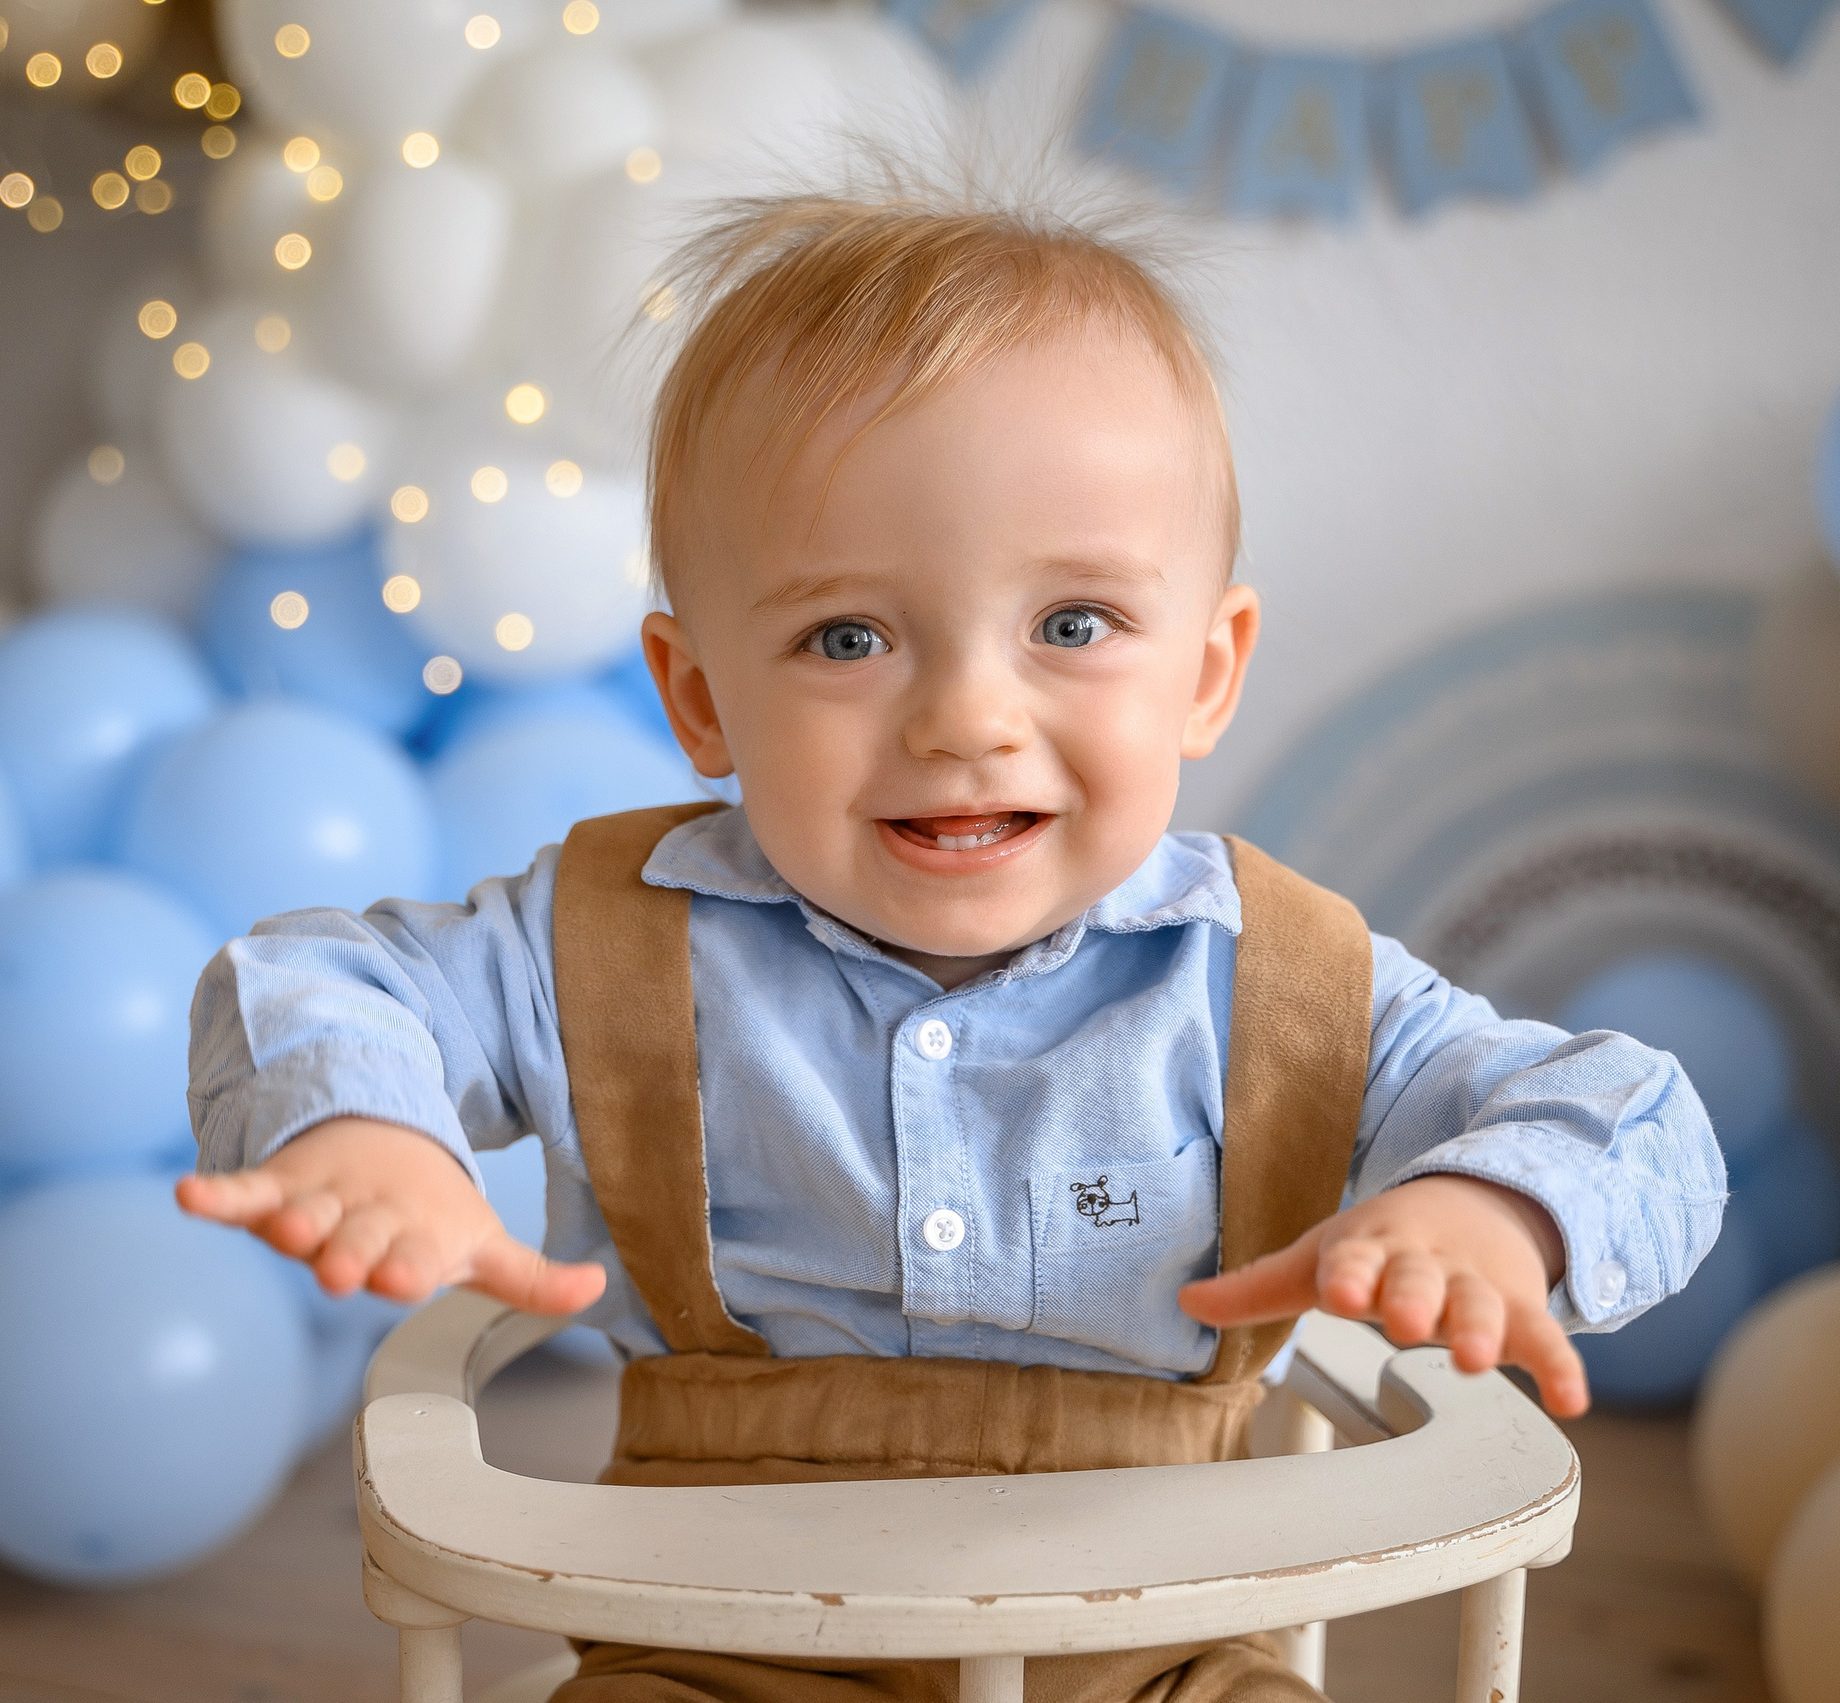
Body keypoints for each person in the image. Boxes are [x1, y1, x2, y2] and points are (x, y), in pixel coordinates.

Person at [179, 189, 1721, 1703]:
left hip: (1162, 1629)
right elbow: (311, 978)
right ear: (701, 696)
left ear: (1207, 667)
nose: (968, 720)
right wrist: (370, 1127)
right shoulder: (605, 948)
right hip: (722, 1631)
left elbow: (1639, 1118)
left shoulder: (1283, 990)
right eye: (849, 638)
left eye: (1073, 625)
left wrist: (1490, 1210)